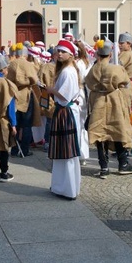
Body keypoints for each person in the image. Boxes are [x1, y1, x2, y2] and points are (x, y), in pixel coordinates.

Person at [85, 38, 132, 178]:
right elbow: (125, 81)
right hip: (113, 102)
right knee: (118, 130)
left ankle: (103, 167)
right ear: (110, 54)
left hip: (97, 103)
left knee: (100, 134)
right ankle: (123, 164)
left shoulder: (93, 69)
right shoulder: (115, 68)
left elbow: (88, 83)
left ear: (98, 54)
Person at [46, 39, 82, 200]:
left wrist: (50, 89)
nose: (59, 54)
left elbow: (64, 94)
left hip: (66, 112)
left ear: (70, 55)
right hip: (66, 110)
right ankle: (61, 186)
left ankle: (68, 189)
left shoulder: (68, 71)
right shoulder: (68, 70)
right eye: (58, 51)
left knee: (66, 151)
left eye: (63, 52)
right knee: (64, 152)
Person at [6, 43, 38, 157]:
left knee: (15, 124)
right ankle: (25, 149)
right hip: (26, 96)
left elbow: (8, 79)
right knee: (27, 125)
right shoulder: (29, 64)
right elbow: (34, 79)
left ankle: (14, 149)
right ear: (25, 54)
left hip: (14, 95)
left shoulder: (11, 64)